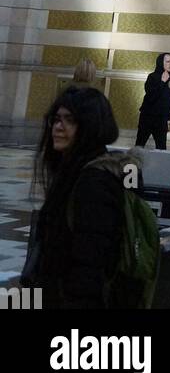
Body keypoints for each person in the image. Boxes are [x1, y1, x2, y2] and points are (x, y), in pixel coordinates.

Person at [29, 88, 136, 308]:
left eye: (70, 120)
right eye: (56, 119)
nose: (58, 127)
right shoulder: (74, 171)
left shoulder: (94, 182)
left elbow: (90, 263)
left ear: (90, 126)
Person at [135, 52, 170, 149]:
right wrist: (162, 82)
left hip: (162, 119)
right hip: (148, 117)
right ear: (161, 62)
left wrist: (169, 118)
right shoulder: (152, 77)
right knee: (139, 145)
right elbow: (151, 97)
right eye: (168, 61)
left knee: (162, 148)